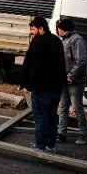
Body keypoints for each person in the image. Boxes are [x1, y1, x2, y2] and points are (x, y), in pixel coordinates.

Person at [19, 16, 67, 153]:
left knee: (41, 118)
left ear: (41, 29)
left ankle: (40, 146)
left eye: (32, 29)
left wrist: (28, 85)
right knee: (52, 117)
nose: (30, 32)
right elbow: (61, 64)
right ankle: (51, 145)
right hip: (56, 87)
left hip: (41, 88)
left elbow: (35, 67)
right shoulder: (57, 41)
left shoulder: (38, 43)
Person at [55, 18, 87, 145]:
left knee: (77, 108)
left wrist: (71, 76)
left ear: (62, 28)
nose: (57, 30)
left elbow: (81, 61)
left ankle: (84, 134)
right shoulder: (65, 39)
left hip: (74, 81)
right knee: (63, 106)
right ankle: (61, 133)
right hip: (64, 80)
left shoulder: (76, 40)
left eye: (58, 28)